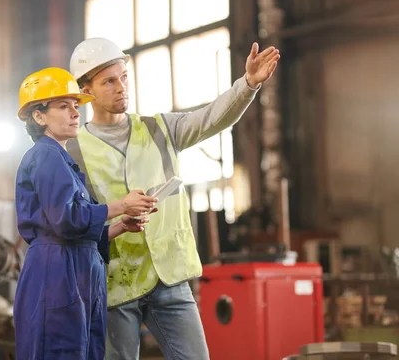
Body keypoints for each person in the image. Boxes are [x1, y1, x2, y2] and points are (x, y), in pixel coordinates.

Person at [66, 38, 280, 360]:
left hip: (170, 276)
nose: (121, 87)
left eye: (124, 77)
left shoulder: (160, 129)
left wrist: (247, 84)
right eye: (109, 81)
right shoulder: (73, 150)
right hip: (115, 282)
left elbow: (211, 118)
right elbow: (74, 217)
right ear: (86, 90)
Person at [13, 67, 158, 360]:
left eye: (76, 106)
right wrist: (122, 205)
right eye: (63, 106)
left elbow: (74, 226)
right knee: (60, 351)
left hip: (73, 269)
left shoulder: (62, 160)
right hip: (57, 274)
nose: (75, 113)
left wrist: (119, 226)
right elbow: (66, 220)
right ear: (39, 116)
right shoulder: (47, 155)